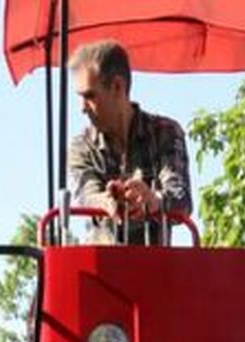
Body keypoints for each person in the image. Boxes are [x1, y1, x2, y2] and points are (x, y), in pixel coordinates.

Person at [67, 40, 193, 244]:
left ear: (118, 87)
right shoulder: (82, 146)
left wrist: (153, 200)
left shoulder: (165, 132)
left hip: (156, 269)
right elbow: (86, 195)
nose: (83, 108)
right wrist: (107, 202)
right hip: (100, 268)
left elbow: (182, 200)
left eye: (90, 96)